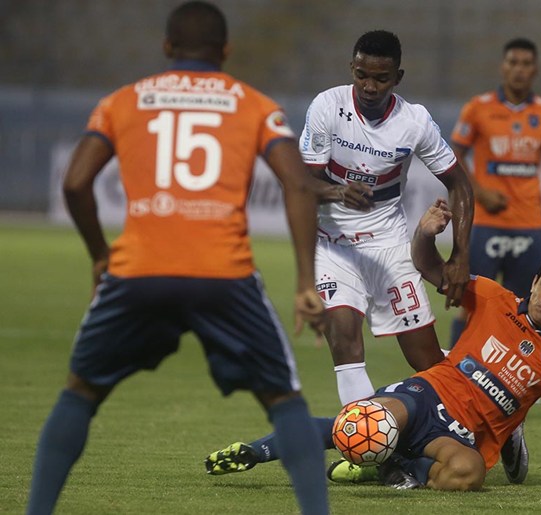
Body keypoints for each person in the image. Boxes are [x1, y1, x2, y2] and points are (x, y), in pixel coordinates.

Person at [26, 3, 328, 514]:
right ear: (225, 51)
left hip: (138, 270)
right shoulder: (253, 104)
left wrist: (101, 255)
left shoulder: (123, 101)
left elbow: (76, 183)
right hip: (223, 275)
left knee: (80, 391)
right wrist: (304, 281)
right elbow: (298, 183)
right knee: (283, 399)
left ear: (167, 48)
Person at [204, 200, 541, 494]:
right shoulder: (492, 297)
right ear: (534, 281)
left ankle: (394, 467)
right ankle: (255, 450)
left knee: (468, 476)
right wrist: (426, 234)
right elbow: (429, 267)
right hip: (428, 394)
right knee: (364, 421)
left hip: (464, 434)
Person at [298, 30, 473, 406]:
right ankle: (365, 445)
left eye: (381, 78)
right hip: (332, 246)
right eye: (362, 75)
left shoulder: (415, 122)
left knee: (424, 360)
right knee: (344, 340)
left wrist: (459, 255)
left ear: (398, 77)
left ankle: (489, 415)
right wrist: (335, 192)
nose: (370, 86)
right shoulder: (327, 107)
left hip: (388, 245)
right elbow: (303, 183)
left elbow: (460, 185)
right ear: (352, 68)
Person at [447, 36, 541, 485]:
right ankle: (458, 377)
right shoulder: (477, 109)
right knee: (469, 299)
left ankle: (510, 398)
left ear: (534, 69)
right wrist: (476, 190)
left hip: (529, 225)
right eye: (512, 62)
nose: (518, 69)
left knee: (529, 314)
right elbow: (451, 155)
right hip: (487, 225)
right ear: (503, 67)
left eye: (526, 63)